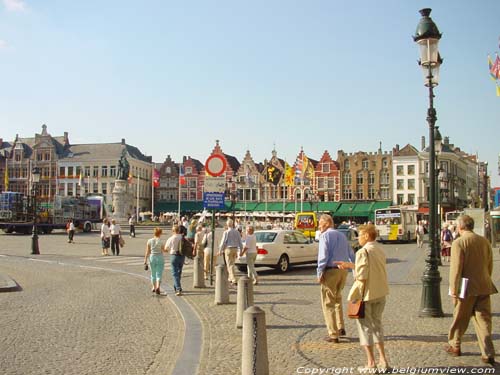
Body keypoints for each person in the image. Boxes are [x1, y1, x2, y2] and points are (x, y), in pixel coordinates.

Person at [336, 224, 390, 372]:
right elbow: (371, 267)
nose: (357, 238)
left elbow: (362, 277)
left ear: (366, 235)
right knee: (377, 326)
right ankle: (383, 360)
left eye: (359, 235)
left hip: (366, 295)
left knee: (365, 328)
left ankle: (371, 362)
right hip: (380, 293)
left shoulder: (362, 252)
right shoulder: (379, 249)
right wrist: (351, 266)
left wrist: (353, 296)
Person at [445, 215, 497, 365]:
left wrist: (453, 290)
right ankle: (487, 352)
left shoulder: (459, 243)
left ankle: (455, 345)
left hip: (465, 287)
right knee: (484, 321)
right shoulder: (484, 241)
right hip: (484, 285)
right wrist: (485, 279)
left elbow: (456, 269)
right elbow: (489, 264)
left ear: (460, 227)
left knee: (460, 317)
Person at [316, 214, 355, 343]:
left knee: (328, 302)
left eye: (320, 224)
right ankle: (340, 327)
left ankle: (333, 334)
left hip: (331, 270)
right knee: (338, 298)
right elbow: (351, 254)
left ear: (326, 224)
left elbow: (323, 256)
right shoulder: (342, 236)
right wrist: (354, 269)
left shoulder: (325, 236)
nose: (319, 227)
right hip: (343, 271)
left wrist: (319, 272)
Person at [218, 219, 243, 285]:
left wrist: (220, 250)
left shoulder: (226, 232)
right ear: (232, 224)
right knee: (232, 263)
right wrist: (241, 250)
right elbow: (240, 242)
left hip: (228, 249)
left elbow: (223, 242)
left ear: (227, 224)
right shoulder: (237, 232)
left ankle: (233, 279)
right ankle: (230, 277)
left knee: (229, 264)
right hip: (235, 248)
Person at [144, 227, 166, 295]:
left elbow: (147, 251)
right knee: (159, 273)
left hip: (152, 257)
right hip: (159, 257)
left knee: (153, 274)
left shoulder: (149, 240)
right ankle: (158, 287)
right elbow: (164, 250)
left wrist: (145, 260)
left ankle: (154, 287)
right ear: (160, 233)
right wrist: (167, 249)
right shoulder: (161, 241)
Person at [165, 225, 185, 296]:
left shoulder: (171, 238)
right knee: (179, 272)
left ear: (173, 231)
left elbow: (166, 248)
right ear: (179, 230)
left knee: (175, 273)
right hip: (182, 256)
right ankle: (176, 285)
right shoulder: (182, 237)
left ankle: (178, 288)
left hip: (174, 256)